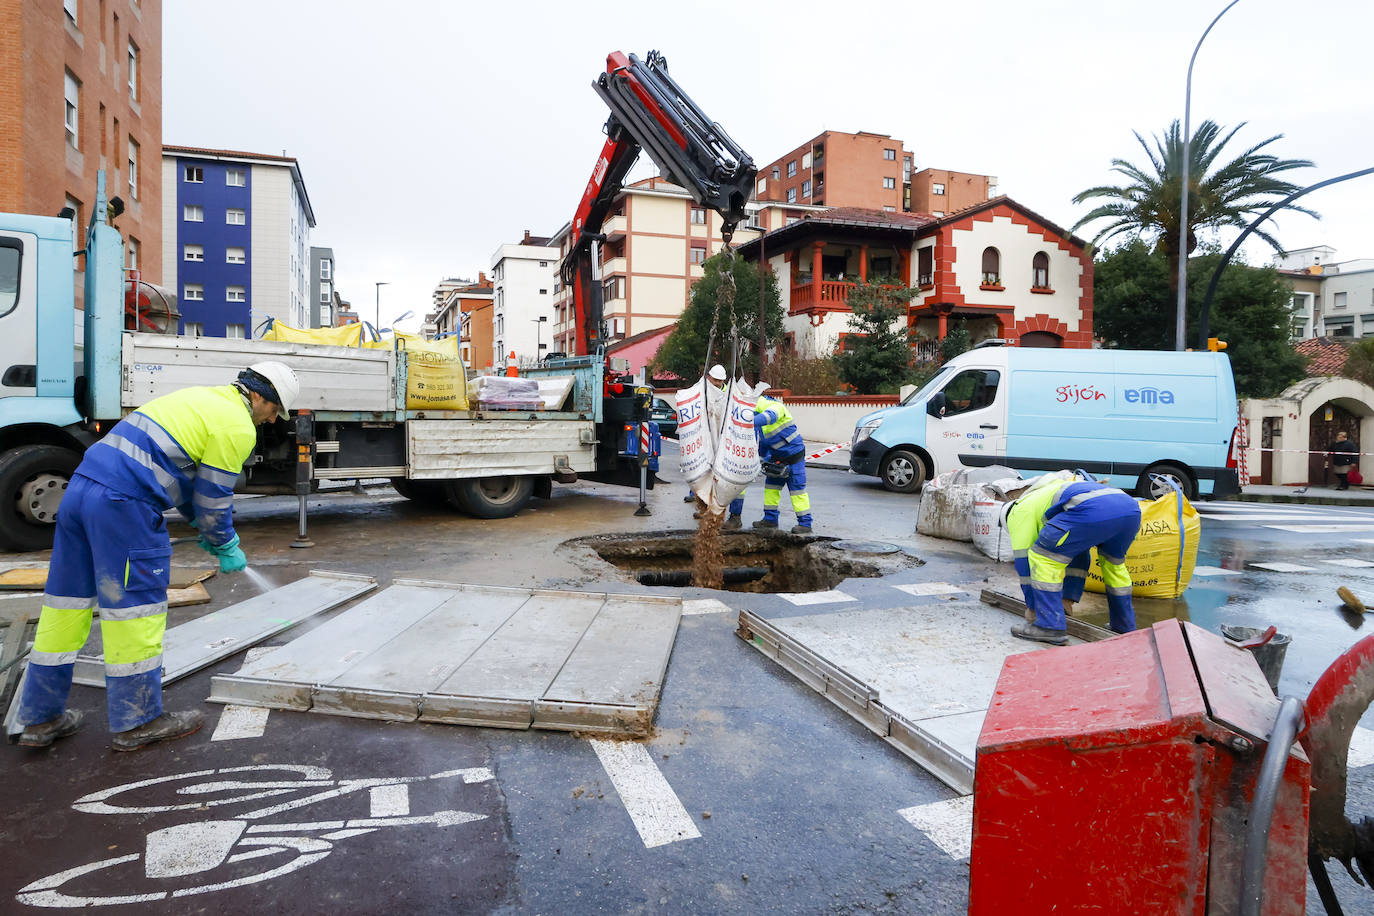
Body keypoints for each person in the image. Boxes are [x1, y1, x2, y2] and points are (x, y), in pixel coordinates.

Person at [15, 362, 300, 752]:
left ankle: (39, 718)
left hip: (79, 494)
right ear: (259, 396)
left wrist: (202, 527)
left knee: (65, 607)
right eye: (274, 410)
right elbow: (214, 498)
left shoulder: (199, 399)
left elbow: (181, 481)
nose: (271, 420)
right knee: (135, 612)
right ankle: (138, 721)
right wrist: (224, 541)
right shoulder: (237, 425)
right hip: (124, 506)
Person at [1006, 474, 1140, 645]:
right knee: (1114, 566)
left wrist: (1034, 608)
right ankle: (1124, 625)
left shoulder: (1019, 512)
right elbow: (1077, 554)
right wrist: (1066, 601)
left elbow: (1024, 565)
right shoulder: (1043, 496)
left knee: (1042, 557)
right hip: (1129, 508)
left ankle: (1049, 627)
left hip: (1092, 509)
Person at [750, 391, 813, 535]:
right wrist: (759, 459)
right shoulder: (758, 416)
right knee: (771, 488)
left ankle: (805, 524)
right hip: (776, 457)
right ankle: (770, 520)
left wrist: (747, 420)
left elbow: (768, 417)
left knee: (797, 490)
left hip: (794, 456)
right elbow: (765, 442)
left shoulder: (775, 406)